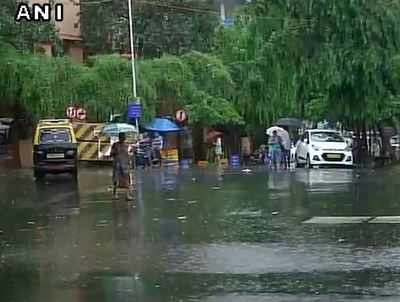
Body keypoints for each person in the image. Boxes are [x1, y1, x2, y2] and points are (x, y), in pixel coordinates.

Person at [111, 132, 133, 200]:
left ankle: (128, 195)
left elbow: (128, 154)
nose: (124, 138)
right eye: (122, 137)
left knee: (127, 180)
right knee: (116, 180)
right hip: (117, 164)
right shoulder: (115, 145)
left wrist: (130, 161)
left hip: (125, 164)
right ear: (119, 138)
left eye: (124, 137)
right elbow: (111, 154)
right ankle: (115, 194)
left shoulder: (126, 145)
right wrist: (115, 152)